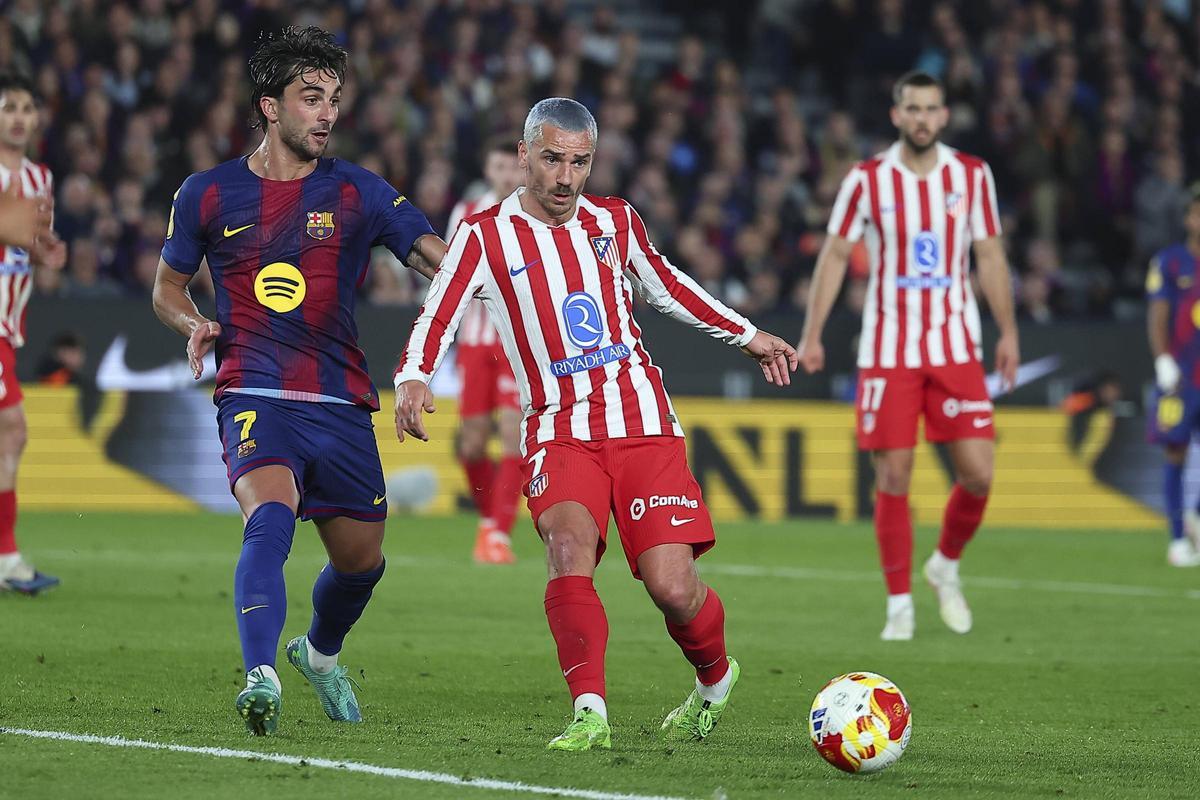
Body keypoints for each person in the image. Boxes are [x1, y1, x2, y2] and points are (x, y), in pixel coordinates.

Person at [394, 97, 798, 750]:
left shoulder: (615, 221)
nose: (565, 177)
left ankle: (715, 679)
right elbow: (438, 310)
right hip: (558, 429)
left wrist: (748, 335)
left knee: (672, 586)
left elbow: (665, 285)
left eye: (579, 162)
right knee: (567, 551)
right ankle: (590, 713)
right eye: (552, 159)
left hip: (642, 422)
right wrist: (413, 373)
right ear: (524, 155)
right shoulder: (483, 234)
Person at [151, 27, 445, 735]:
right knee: (270, 516)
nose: (327, 113)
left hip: (339, 400)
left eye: (334, 100)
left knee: (361, 562)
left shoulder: (358, 191)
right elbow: (166, 289)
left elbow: (439, 259)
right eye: (311, 98)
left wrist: (493, 276)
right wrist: (192, 321)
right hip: (253, 389)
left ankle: (317, 654)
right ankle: (260, 675)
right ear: (271, 107)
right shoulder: (207, 193)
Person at [797, 71, 1020, 641]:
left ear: (944, 116)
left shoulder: (971, 176)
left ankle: (944, 563)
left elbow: (990, 256)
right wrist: (813, 333)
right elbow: (836, 253)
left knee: (978, 474)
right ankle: (899, 603)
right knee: (893, 475)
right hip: (888, 350)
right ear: (897, 115)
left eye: (931, 109)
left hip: (955, 346)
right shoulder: (867, 179)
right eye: (912, 108)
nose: (921, 118)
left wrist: (1009, 333)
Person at [0, 73, 67, 596]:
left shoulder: (41, 179)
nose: (19, 116)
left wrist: (47, 254)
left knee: (10, 435)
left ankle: (6, 556)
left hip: (9, 327)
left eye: (26, 107)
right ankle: (7, 557)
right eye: (8, 108)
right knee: (13, 431)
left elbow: (33, 245)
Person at [445, 138, 524, 564]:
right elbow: (447, 271)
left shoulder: (535, 213)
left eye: (514, 167)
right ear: (489, 170)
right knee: (472, 445)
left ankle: (499, 537)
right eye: (500, 167)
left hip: (517, 343)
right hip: (474, 343)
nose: (508, 175)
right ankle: (490, 524)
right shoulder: (466, 212)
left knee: (514, 434)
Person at [1145, 184, 1200, 567]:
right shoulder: (1171, 261)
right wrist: (1163, 360)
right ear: (1188, 219)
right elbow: (1158, 315)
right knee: (1175, 450)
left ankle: (1195, 515)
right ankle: (1178, 538)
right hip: (1182, 377)